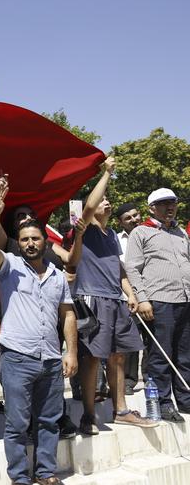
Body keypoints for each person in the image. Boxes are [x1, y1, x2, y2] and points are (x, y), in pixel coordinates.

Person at [0, 181, 78, 485]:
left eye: (36, 238)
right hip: (17, 360)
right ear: (19, 243)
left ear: (45, 241)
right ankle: (20, 477)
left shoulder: (58, 277)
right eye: (25, 239)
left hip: (50, 360)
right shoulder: (9, 266)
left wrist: (71, 351)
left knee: (48, 421)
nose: (31, 243)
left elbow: (68, 314)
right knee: (17, 424)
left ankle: (46, 473)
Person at [67, 158, 154, 434]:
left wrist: (131, 294)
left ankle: (121, 410)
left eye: (108, 200)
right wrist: (107, 173)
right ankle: (89, 415)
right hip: (93, 299)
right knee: (93, 357)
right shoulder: (85, 229)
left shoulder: (112, 235)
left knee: (118, 356)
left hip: (116, 300)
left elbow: (119, 269)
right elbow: (90, 205)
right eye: (103, 199)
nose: (106, 203)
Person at [125, 187, 190, 423]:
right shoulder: (141, 232)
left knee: (185, 354)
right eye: (164, 203)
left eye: (173, 202)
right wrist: (142, 298)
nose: (170, 207)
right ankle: (163, 403)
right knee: (161, 356)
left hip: (185, 299)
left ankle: (185, 399)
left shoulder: (181, 232)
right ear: (152, 208)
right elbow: (132, 267)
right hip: (159, 300)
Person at [114, 202, 143, 395]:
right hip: (129, 296)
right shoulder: (116, 240)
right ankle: (128, 381)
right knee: (131, 340)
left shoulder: (155, 233)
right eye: (128, 218)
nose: (133, 220)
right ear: (120, 222)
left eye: (135, 215)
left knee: (154, 340)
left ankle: (152, 378)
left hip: (156, 293)